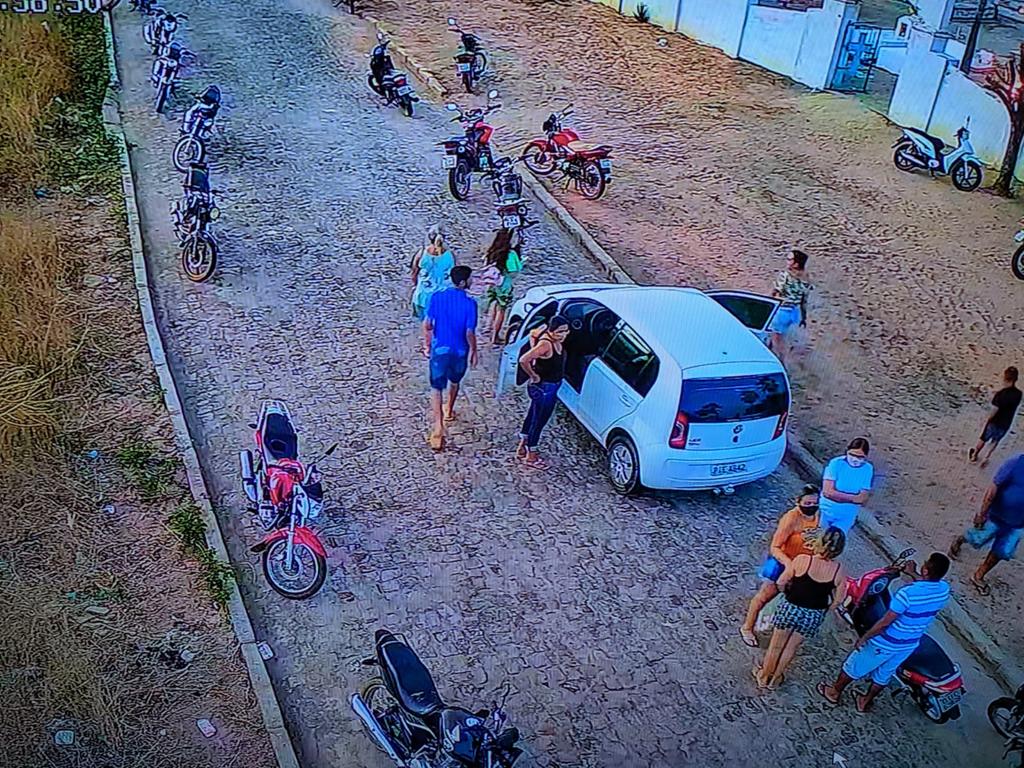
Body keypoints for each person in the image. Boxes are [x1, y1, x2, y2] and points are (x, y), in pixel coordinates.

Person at [818, 552, 951, 713]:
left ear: (925, 570)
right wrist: (912, 573)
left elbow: (886, 622)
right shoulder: (943, 589)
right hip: (910, 642)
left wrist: (865, 637)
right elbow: (926, 586)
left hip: (888, 640)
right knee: (884, 674)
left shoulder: (907, 594)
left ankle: (834, 692)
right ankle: (864, 701)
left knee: (855, 664)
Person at [754, 527, 846, 690]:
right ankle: (775, 679)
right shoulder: (839, 571)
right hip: (813, 614)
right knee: (791, 647)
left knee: (776, 646)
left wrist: (786, 593)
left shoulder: (802, 560)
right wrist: (826, 609)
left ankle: (764, 676)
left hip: (791, 606)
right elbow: (838, 600)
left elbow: (781, 581)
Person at [740, 485, 822, 647]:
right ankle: (747, 627)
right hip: (784, 564)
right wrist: (789, 565)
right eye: (807, 503)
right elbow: (775, 547)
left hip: (803, 565)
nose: (812, 506)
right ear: (798, 502)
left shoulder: (818, 515)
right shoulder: (790, 519)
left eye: (815, 503)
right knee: (764, 596)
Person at [949, 452, 1024, 595]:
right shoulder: (1015, 463)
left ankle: (978, 575)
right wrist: (982, 513)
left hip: (1017, 524)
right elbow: (993, 488)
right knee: (977, 538)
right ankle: (961, 539)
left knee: (1002, 551)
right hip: (996, 515)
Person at [423, 265, 477, 451]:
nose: (473, 281)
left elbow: (428, 324)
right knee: (455, 382)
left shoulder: (437, 297)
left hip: (440, 351)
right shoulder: (470, 304)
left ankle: (438, 427)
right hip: (459, 351)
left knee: (436, 388)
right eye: (471, 278)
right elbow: (469, 332)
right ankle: (449, 410)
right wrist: (475, 351)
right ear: (463, 282)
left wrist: (428, 345)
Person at [516, 316, 570, 469]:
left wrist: (533, 342)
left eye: (566, 331)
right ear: (551, 331)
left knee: (533, 414)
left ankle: (523, 444)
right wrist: (533, 374)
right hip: (545, 388)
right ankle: (531, 456)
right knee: (539, 421)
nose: (563, 334)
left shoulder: (547, 336)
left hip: (549, 386)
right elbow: (523, 359)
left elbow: (533, 333)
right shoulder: (546, 345)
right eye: (560, 332)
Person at [479, 229, 524, 348]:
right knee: (501, 310)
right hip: (504, 286)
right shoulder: (510, 254)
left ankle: (489, 327)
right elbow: (514, 271)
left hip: (492, 284)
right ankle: (495, 336)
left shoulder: (492, 251)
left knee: (494, 305)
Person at [819, 437, 874, 534]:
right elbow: (827, 492)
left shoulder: (867, 469)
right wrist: (852, 498)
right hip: (825, 511)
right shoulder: (836, 463)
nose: (855, 459)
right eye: (852, 454)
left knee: (834, 544)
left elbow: (862, 498)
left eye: (860, 457)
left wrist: (838, 496)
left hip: (846, 517)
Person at [970, 366, 1021, 468]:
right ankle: (986, 457)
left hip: (995, 421)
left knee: (983, 438)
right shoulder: (1019, 394)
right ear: (1016, 379)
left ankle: (974, 454)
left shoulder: (1000, 394)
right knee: (995, 441)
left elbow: (995, 410)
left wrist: (987, 419)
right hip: (1005, 424)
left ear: (1005, 378)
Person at [769, 250, 812, 362]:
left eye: (789, 259)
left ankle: (780, 362)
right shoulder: (806, 279)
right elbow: (804, 301)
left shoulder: (785, 276)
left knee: (777, 340)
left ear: (796, 264)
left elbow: (775, 293)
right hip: (795, 313)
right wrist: (804, 318)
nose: (787, 261)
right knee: (782, 335)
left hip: (782, 311)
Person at [411, 226, 455, 322]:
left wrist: (415, 286)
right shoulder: (450, 255)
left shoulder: (421, 253)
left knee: (426, 325)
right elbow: (456, 275)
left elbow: (414, 274)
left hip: (423, 296)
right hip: (444, 296)